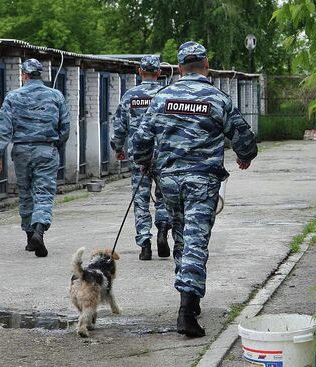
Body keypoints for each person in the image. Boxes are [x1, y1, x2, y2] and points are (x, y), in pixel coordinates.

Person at [133, 42, 258, 337]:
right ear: (206, 64)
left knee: (181, 235)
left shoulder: (162, 98)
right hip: (202, 181)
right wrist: (244, 156)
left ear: (178, 68)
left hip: (169, 182)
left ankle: (189, 297)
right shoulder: (217, 98)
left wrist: (142, 163)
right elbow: (243, 137)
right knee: (196, 241)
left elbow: (140, 139)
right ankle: (187, 312)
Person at [0, 58, 70, 258]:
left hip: (22, 151)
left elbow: (3, 128)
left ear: (24, 75)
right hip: (47, 149)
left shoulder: (13, 97)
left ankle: (30, 237)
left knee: (25, 193)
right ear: (40, 75)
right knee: (44, 192)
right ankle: (39, 230)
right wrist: (55, 147)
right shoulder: (56, 96)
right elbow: (65, 127)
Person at [110, 55, 172, 261]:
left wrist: (117, 147)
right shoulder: (168, 94)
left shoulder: (130, 96)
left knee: (140, 200)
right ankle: (163, 231)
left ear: (139, 72)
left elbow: (119, 127)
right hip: (164, 156)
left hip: (139, 156)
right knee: (164, 197)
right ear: (159, 72)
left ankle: (145, 245)